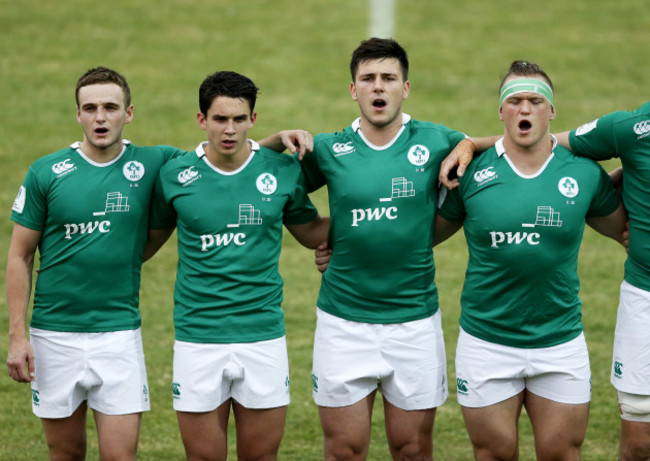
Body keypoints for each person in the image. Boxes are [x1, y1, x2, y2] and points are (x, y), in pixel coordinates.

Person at [260, 37, 488, 460]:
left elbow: (504, 147)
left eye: (388, 78)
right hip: (344, 324)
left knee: (412, 448)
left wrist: (470, 143)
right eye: (368, 78)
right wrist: (319, 235)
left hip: (414, 322)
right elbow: (270, 181)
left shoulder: (438, 140)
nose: (378, 87)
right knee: (344, 449)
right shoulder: (329, 149)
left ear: (406, 88)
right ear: (353, 90)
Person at [435, 60, 626, 460]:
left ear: (551, 111)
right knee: (493, 454)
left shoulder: (584, 175)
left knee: (562, 455)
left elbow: (624, 231)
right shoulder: (471, 172)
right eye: (515, 101)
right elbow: (423, 238)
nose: (525, 109)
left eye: (536, 101)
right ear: (501, 111)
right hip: (486, 342)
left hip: (559, 343)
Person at [5, 66, 186, 460]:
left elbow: (219, 161)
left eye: (110, 107)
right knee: (64, 454)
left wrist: (272, 144)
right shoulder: (47, 172)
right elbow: (19, 254)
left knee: (120, 457)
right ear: (78, 114)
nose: (100, 117)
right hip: (54, 337)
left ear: (129, 112)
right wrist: (18, 337)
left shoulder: (155, 163)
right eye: (90, 108)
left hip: (118, 335)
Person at [148, 70, 329, 461]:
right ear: (202, 120)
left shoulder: (280, 171)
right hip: (198, 337)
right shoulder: (175, 175)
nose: (229, 129)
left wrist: (378, 216)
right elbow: (144, 244)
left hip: (262, 335)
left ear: (253, 119)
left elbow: (311, 232)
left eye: (239, 119)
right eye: (219, 119)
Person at [553, 104, 650, 461]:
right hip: (645, 296)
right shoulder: (633, 127)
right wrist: (470, 144)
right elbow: (541, 143)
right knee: (640, 442)